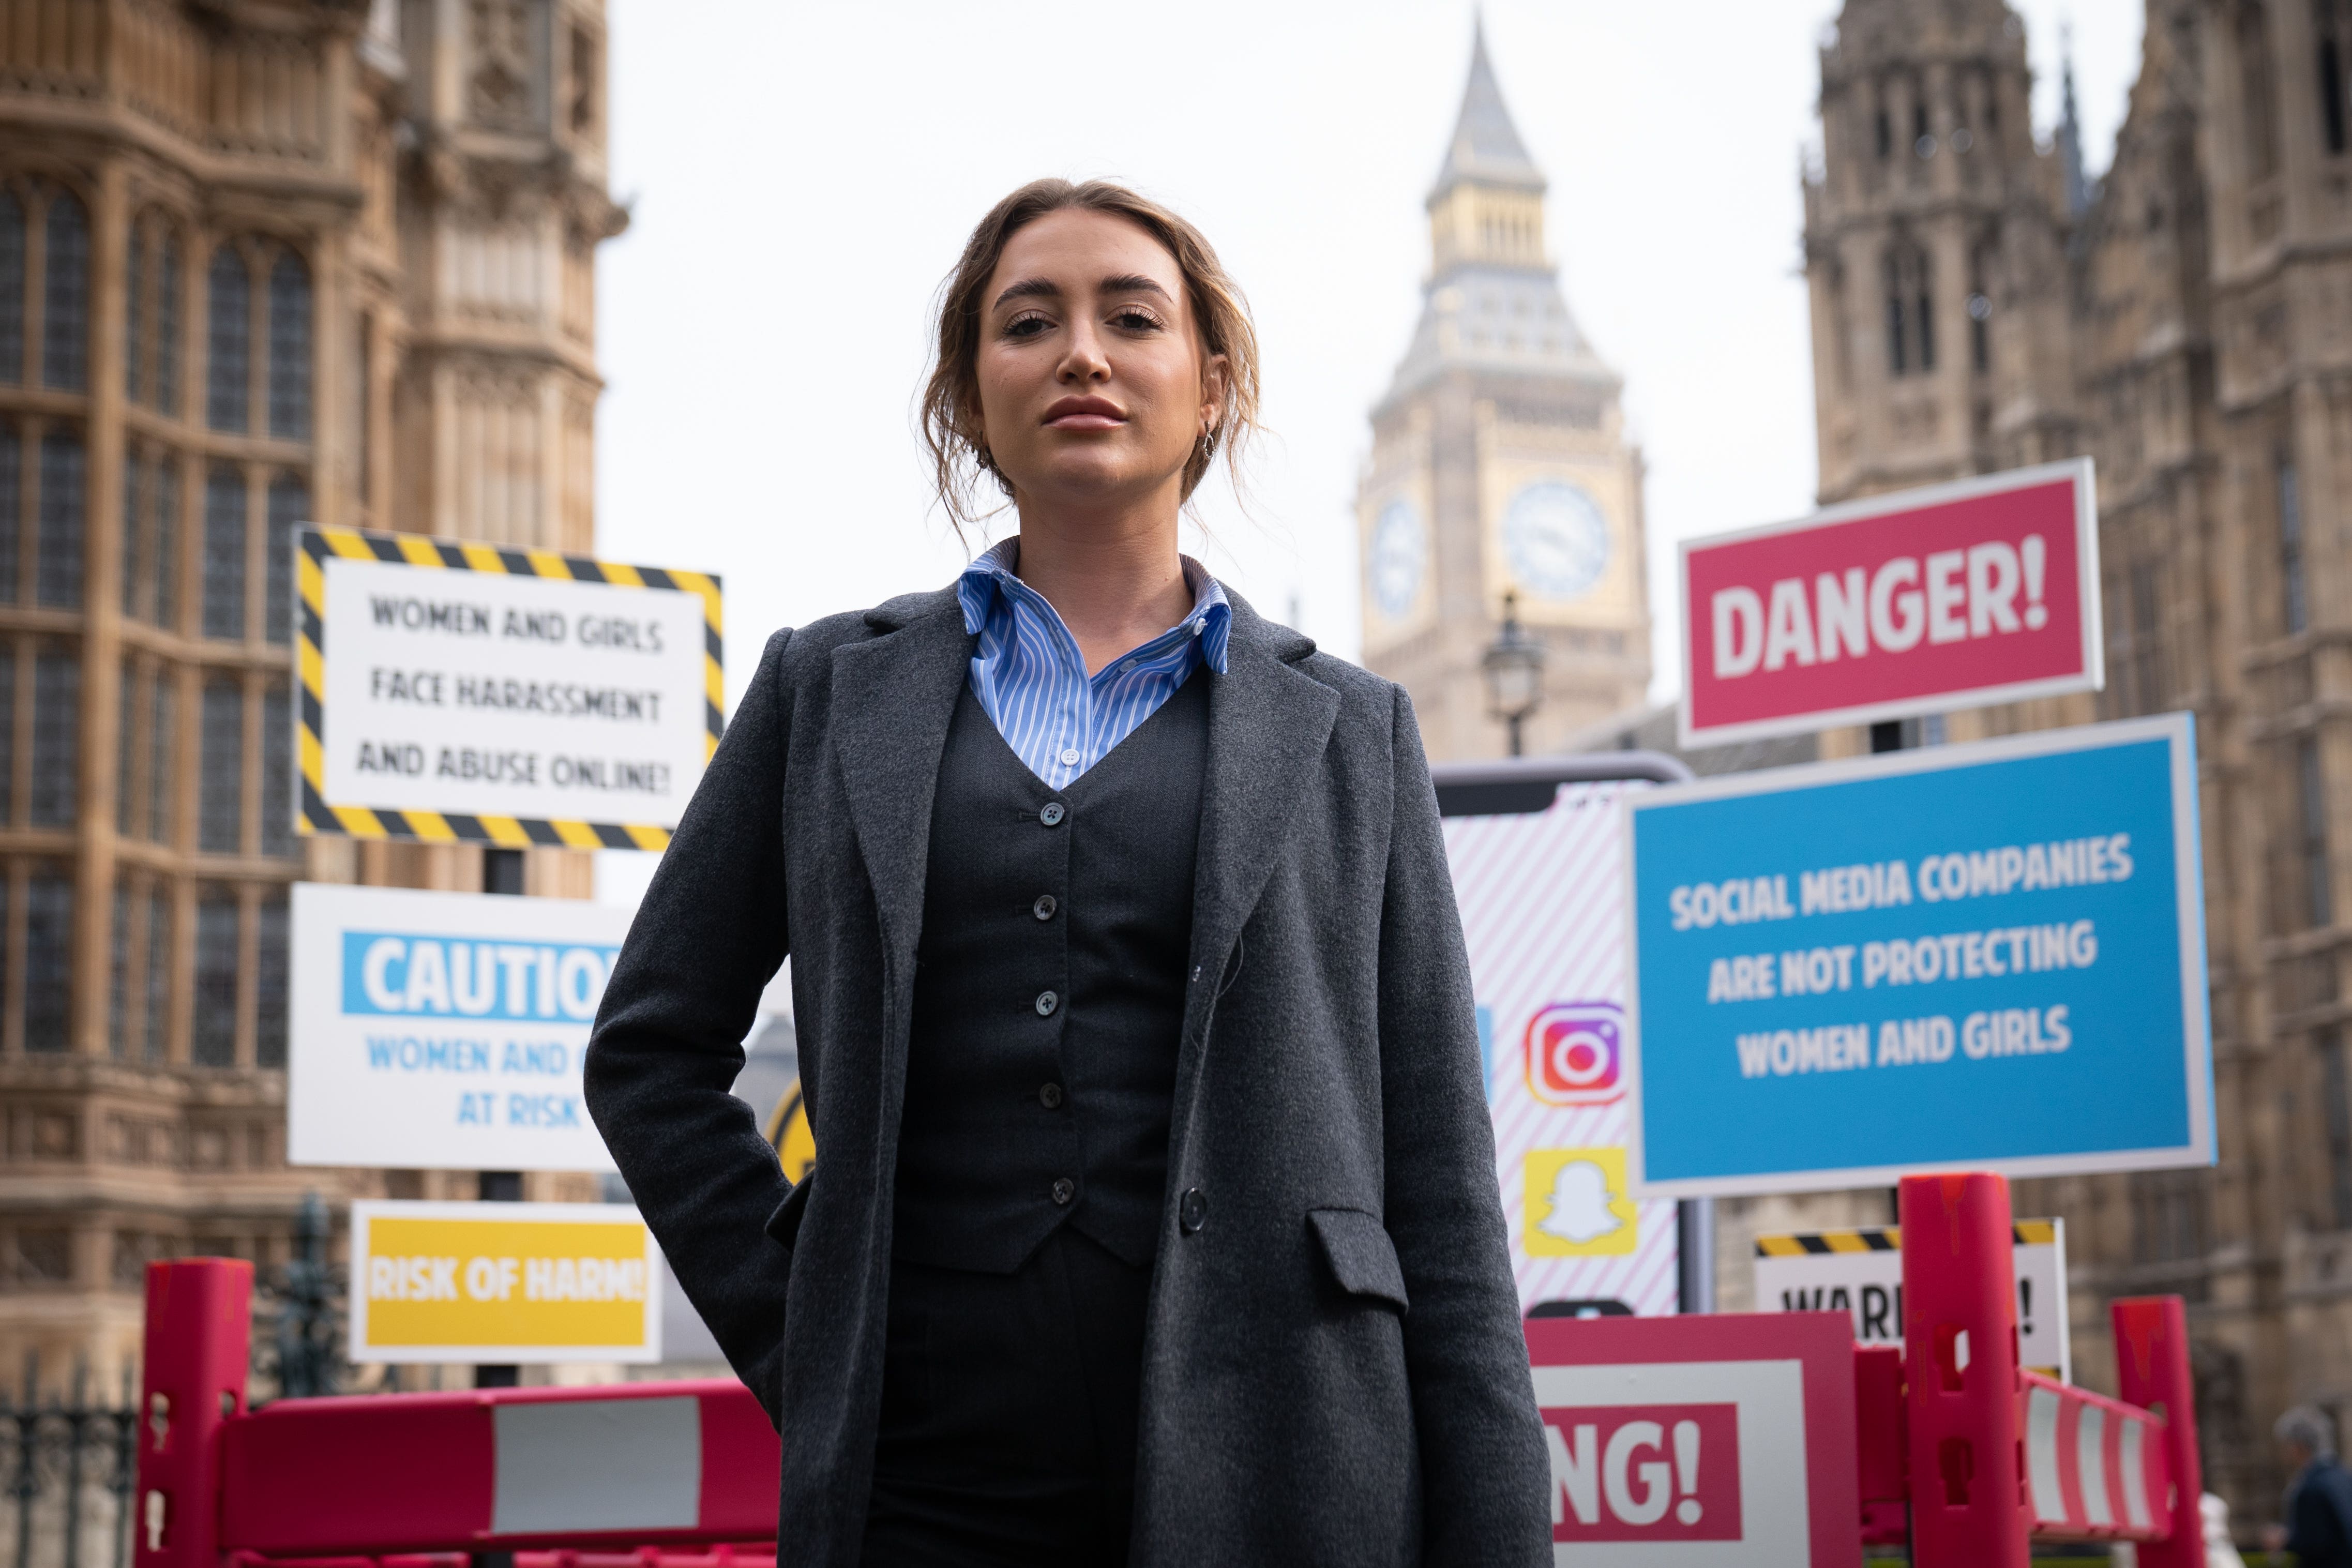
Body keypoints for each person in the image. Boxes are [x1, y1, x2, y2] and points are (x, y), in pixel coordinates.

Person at [583, 178, 1551, 1568]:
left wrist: (1499, 1539)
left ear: (1208, 386)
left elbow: (1441, 1187)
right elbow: (650, 1049)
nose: (1082, 352)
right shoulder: (824, 692)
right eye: (1028, 322)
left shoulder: (1348, 731)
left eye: (1131, 318)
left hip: (1289, 1465)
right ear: (971, 396)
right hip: (925, 1486)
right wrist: (815, 1325)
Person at [2263, 1406, 2352, 1565]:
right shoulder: (2344, 1476)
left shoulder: (2311, 1486)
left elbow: (2316, 1543)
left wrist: (2284, 1540)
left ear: (2298, 1446)